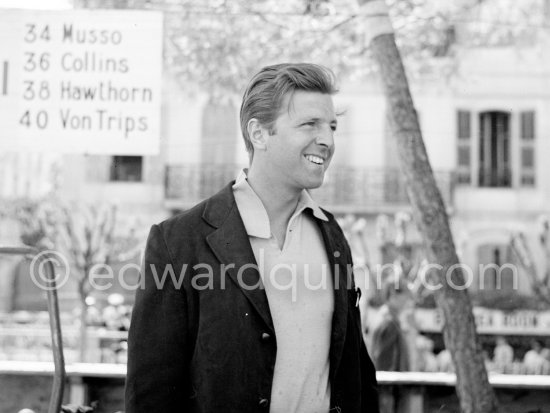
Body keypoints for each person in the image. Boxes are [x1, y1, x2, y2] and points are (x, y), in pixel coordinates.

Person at [125, 63, 379, 413]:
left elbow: (356, 374)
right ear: (258, 134)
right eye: (310, 124)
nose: (328, 140)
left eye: (332, 126)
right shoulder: (178, 242)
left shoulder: (333, 237)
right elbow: (150, 395)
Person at [369, 275, 413, 372]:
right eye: (406, 295)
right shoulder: (389, 323)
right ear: (393, 294)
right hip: (387, 385)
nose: (408, 300)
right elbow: (384, 368)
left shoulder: (386, 318)